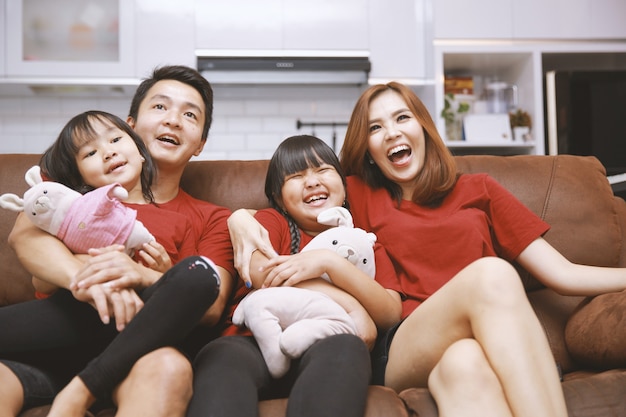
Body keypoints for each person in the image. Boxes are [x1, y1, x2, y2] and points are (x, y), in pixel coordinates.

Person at [228, 81, 626, 417]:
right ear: (367, 148)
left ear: (423, 126)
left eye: (402, 118)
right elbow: (293, 199)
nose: (393, 133)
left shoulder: (481, 189)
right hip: (405, 344)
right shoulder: (360, 193)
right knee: (492, 274)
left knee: (463, 365)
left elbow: (563, 274)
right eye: (376, 128)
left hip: (475, 344)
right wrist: (239, 218)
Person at [3, 66, 235, 417]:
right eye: (160, 107)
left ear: (201, 143)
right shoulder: (72, 193)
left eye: (189, 114)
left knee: (172, 357)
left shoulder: (213, 218)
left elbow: (210, 302)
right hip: (53, 347)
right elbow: (24, 237)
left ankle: (83, 391)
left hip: (141, 356)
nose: (173, 120)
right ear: (132, 125)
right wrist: (90, 278)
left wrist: (144, 276)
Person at [186, 135, 403, 417]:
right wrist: (352, 306)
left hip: (329, 343)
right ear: (279, 199)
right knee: (222, 360)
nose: (312, 181)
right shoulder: (272, 222)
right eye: (297, 176)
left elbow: (390, 312)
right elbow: (262, 274)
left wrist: (329, 264)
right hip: (249, 340)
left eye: (323, 170)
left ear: (344, 187)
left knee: (346, 349)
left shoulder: (364, 245)